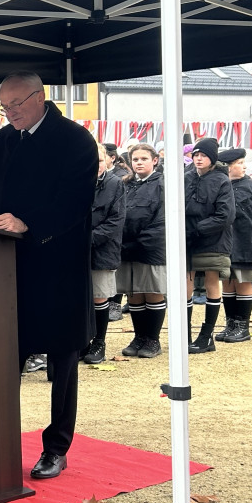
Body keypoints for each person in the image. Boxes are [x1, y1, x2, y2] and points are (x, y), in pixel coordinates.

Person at [0, 71, 97, 480]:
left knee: (62, 361)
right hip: (3, 269)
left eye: (16, 105)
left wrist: (27, 222)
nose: (10, 113)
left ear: (39, 97)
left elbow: (76, 202)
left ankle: (56, 447)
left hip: (56, 267)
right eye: (4, 106)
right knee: (3, 358)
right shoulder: (3, 139)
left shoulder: (74, 139)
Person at [216, 148, 252, 343]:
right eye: (240, 163)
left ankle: (243, 327)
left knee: (243, 283)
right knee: (227, 283)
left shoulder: (251, 186)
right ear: (228, 167)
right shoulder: (218, 184)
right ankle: (231, 324)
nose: (244, 166)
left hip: (246, 243)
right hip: (224, 244)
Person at [184, 138, 235, 353]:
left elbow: (226, 215)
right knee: (185, 284)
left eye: (203, 155)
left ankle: (207, 335)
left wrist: (198, 228)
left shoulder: (222, 181)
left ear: (212, 158)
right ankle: (183, 333)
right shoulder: (185, 177)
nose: (198, 159)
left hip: (213, 239)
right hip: (186, 239)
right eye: (196, 155)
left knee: (212, 283)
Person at [118, 144, 167, 359]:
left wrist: (138, 243)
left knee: (152, 292)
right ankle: (139, 336)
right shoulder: (125, 185)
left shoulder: (163, 184)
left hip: (150, 249)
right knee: (134, 293)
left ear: (154, 160)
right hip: (126, 249)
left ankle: (152, 339)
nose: (139, 162)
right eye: (135, 159)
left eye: (144, 158)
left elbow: (161, 221)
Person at [83, 142, 126, 363]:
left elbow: (115, 221)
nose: (95, 164)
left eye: (99, 160)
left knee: (99, 297)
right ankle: (83, 342)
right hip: (76, 251)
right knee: (80, 298)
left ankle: (99, 342)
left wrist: (86, 239)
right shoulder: (76, 181)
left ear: (107, 160)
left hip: (101, 250)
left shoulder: (114, 183)